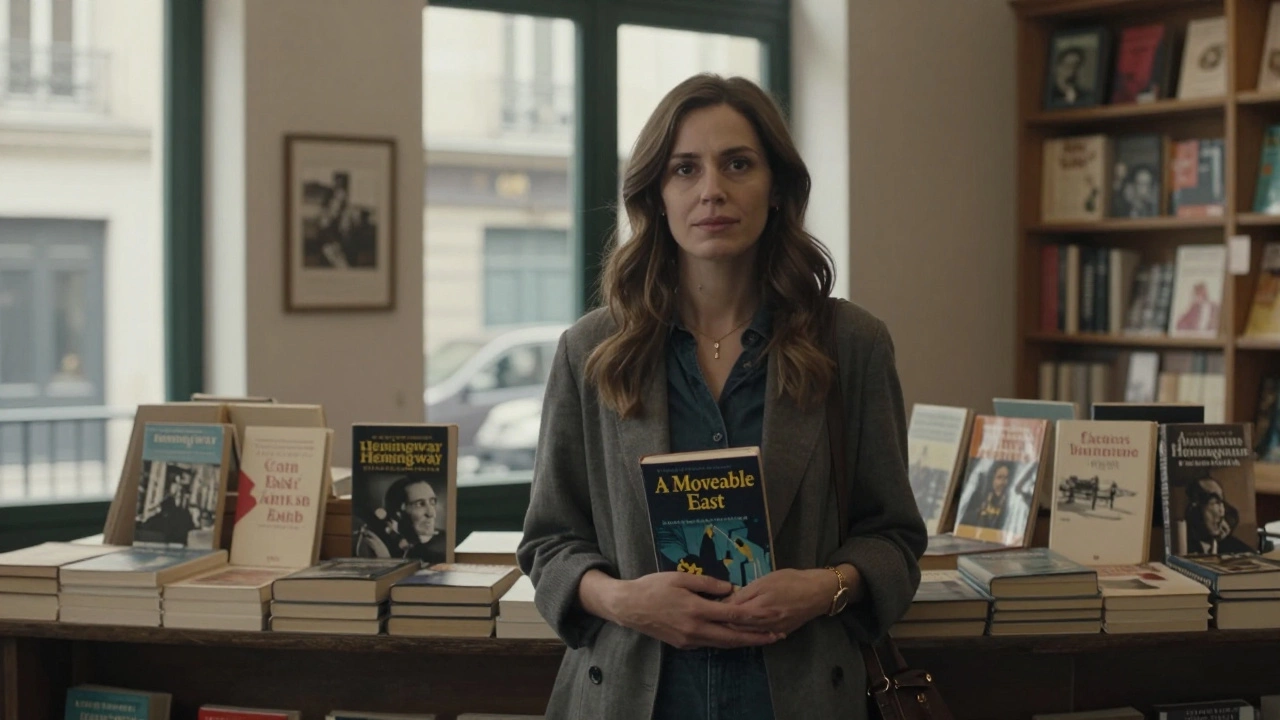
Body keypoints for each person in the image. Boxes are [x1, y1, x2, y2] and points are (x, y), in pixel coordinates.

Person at [517, 74, 926, 720]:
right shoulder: (591, 351)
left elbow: (894, 537)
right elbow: (549, 544)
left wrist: (823, 589)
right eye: (685, 169)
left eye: (738, 164)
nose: (712, 190)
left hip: (798, 694)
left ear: (777, 186)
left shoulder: (853, 344)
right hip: (631, 694)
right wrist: (625, 601)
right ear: (656, 193)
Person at [353, 476, 447, 563]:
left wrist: (386, 561)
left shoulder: (443, 546)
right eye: (419, 504)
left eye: (432, 502)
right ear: (397, 513)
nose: (431, 513)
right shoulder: (387, 543)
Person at [1183, 477, 1252, 555]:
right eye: (1215, 502)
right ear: (1195, 509)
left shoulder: (1240, 552)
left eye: (1221, 502)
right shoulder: (1182, 547)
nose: (1222, 512)